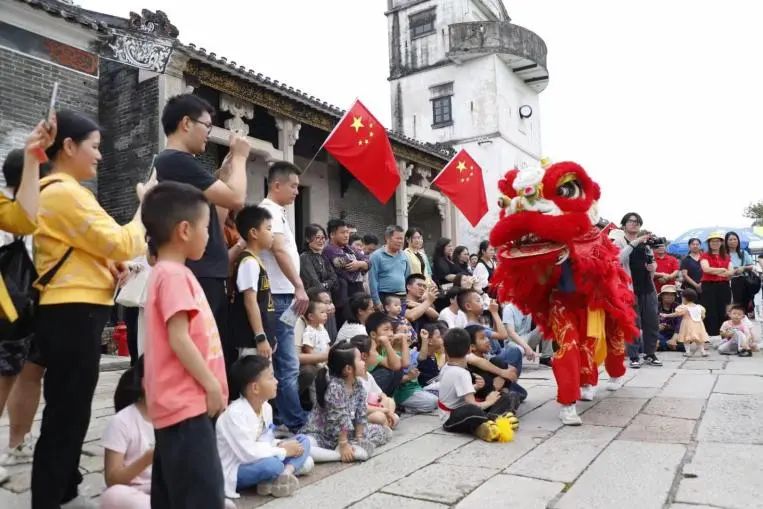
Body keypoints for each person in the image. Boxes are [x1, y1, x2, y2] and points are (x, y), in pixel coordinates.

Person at [29, 110, 147, 508]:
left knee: (71, 409)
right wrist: (145, 209)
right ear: (68, 147)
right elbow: (120, 241)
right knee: (67, 412)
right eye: (94, 147)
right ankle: (51, 497)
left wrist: (110, 266)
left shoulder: (69, 192)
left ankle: (63, 489)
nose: (99, 157)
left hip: (76, 311)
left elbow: (95, 249)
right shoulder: (62, 192)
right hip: (71, 313)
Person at [141, 182, 228, 509]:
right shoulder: (174, 275)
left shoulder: (168, 272)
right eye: (207, 228)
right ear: (184, 230)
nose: (210, 236)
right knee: (201, 494)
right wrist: (210, 385)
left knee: (174, 492)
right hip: (187, 404)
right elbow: (179, 338)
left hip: (178, 406)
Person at [155, 94, 250, 376]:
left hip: (207, 271)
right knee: (203, 348)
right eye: (207, 127)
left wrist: (229, 166)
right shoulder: (175, 161)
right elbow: (236, 199)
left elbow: (217, 204)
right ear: (186, 123)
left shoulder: (177, 164)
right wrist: (243, 158)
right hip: (200, 271)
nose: (209, 134)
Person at [0, 123, 54, 482]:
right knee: (5, 376)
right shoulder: (9, 210)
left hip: (32, 309)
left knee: (28, 373)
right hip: (7, 311)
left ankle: (18, 441)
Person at [216, 355, 312, 500]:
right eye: (270, 378)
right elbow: (247, 454)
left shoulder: (266, 407)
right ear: (255, 388)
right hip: (237, 468)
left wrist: (279, 444)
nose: (276, 381)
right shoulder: (234, 415)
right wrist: (283, 450)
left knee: (304, 440)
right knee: (273, 465)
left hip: (260, 456)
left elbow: (265, 438)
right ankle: (276, 475)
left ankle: (284, 475)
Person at [259, 161, 309, 433]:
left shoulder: (278, 212)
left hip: (283, 295)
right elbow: (278, 251)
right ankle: (296, 421)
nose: (297, 192)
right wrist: (299, 285)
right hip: (277, 296)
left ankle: (281, 417)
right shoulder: (268, 211)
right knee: (288, 363)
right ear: (276, 185)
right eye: (293, 186)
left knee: (281, 361)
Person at [300, 342, 389, 462]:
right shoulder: (335, 387)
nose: (363, 362)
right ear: (348, 369)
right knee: (306, 445)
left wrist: (359, 438)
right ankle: (337, 454)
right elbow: (340, 418)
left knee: (383, 431)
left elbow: (361, 414)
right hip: (323, 434)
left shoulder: (358, 385)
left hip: (348, 433)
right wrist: (343, 443)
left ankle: (352, 448)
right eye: (359, 360)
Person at [437, 328, 520, 441]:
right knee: (473, 410)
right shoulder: (462, 373)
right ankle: (497, 418)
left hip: (463, 407)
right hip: (451, 417)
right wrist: (489, 401)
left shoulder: (446, 367)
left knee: (510, 396)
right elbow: (473, 404)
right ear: (469, 350)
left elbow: (456, 393)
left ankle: (491, 422)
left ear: (445, 349)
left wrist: (475, 387)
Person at [100, 359, 152, 509]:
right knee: (114, 495)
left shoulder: (178, 418)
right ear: (146, 383)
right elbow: (112, 479)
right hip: (135, 494)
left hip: (167, 492)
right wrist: (148, 458)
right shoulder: (122, 422)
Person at [229, 205, 277, 360]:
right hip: (251, 342)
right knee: (256, 382)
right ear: (254, 233)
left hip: (260, 339)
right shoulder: (248, 262)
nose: (272, 234)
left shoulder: (256, 261)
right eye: (269, 229)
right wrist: (260, 337)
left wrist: (270, 336)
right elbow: (250, 302)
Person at [618, 212, 662, 368]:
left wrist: (652, 267)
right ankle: (634, 356)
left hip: (647, 287)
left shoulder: (646, 243)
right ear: (624, 224)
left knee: (652, 322)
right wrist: (635, 242)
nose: (634, 224)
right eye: (631, 221)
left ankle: (650, 353)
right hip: (629, 288)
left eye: (637, 222)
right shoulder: (619, 240)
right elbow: (618, 259)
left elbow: (652, 262)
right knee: (633, 324)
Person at [323, 219, 368, 326]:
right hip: (343, 296)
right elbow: (348, 268)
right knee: (345, 327)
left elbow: (368, 260)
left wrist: (360, 264)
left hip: (357, 293)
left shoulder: (350, 249)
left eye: (347, 232)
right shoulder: (329, 250)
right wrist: (362, 264)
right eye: (343, 232)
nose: (347, 235)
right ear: (332, 234)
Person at [350, 335, 399, 429]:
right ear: (364, 356)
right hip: (362, 413)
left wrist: (387, 409)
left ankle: (388, 420)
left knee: (390, 401)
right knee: (379, 417)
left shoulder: (368, 375)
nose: (377, 354)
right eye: (375, 350)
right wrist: (384, 410)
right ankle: (383, 424)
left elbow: (381, 394)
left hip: (375, 407)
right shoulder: (355, 381)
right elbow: (361, 408)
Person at [297, 300, 331, 410]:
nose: (325, 314)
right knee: (315, 388)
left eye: (326, 312)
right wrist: (319, 362)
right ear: (311, 316)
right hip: (317, 365)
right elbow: (309, 350)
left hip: (325, 363)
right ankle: (316, 409)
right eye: (322, 312)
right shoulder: (308, 331)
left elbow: (327, 345)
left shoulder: (322, 328)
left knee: (328, 386)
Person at [699, 231, 734, 336]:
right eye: (712, 241)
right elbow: (706, 269)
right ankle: (710, 333)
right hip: (709, 286)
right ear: (709, 243)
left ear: (721, 242)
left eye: (717, 241)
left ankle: (724, 333)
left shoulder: (726, 256)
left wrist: (716, 271)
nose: (715, 243)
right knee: (710, 309)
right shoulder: (705, 255)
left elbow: (731, 272)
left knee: (723, 308)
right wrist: (722, 269)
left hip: (723, 286)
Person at [368, 225, 410, 309]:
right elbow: (373, 280)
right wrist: (376, 301)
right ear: (387, 238)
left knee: (401, 321)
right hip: (385, 297)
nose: (400, 241)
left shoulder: (404, 255)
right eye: (397, 238)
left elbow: (408, 277)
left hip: (402, 296)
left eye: (402, 238)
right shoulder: (376, 256)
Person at [502, 302, 554, 367]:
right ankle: (511, 362)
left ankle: (546, 357)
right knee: (520, 350)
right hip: (512, 342)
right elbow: (511, 333)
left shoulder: (529, 305)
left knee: (546, 325)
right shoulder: (509, 309)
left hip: (527, 338)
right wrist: (526, 348)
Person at [660, 288, 709, 357]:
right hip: (699, 326)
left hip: (687, 326)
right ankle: (703, 351)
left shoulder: (683, 307)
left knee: (686, 339)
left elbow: (676, 314)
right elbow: (703, 316)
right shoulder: (699, 307)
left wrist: (666, 315)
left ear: (684, 298)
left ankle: (687, 352)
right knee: (699, 339)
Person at [364, 312, 403, 396]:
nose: (391, 334)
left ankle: (385, 400)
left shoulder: (382, 346)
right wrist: (387, 344)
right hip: (362, 387)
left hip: (371, 384)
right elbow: (395, 366)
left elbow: (400, 364)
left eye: (391, 330)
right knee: (386, 373)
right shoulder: (369, 348)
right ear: (373, 334)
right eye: (386, 330)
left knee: (397, 371)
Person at [299, 224, 338, 297]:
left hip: (327, 297)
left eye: (323, 238)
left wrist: (324, 285)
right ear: (308, 239)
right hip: (313, 299)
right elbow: (314, 283)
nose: (321, 241)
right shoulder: (304, 257)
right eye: (317, 237)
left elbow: (334, 279)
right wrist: (328, 284)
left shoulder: (323, 257)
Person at [726, 231, 756, 314]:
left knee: (742, 306)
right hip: (728, 282)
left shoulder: (743, 253)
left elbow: (751, 266)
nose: (733, 241)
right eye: (730, 239)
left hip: (742, 282)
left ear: (738, 241)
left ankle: (742, 324)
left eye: (735, 239)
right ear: (726, 241)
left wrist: (743, 268)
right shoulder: (723, 254)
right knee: (730, 306)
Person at [657, 285, 682, 351]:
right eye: (667, 294)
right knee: (655, 338)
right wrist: (657, 327)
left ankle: (666, 345)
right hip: (660, 334)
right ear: (662, 296)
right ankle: (672, 346)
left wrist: (674, 339)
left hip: (675, 333)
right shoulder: (655, 306)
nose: (670, 296)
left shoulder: (679, 307)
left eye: (672, 295)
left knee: (686, 340)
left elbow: (680, 324)